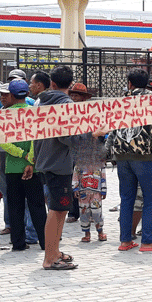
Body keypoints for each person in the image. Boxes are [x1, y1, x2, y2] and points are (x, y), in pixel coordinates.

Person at [106, 68, 152, 252]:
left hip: (122, 155)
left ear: (130, 83)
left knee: (126, 199)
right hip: (146, 156)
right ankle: (147, 242)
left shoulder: (120, 100)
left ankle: (125, 241)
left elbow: (112, 125)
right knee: (150, 199)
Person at [34, 66, 79, 269]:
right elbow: (66, 136)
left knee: (60, 208)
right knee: (56, 209)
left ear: (51, 83)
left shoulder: (40, 102)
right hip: (59, 162)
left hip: (46, 158)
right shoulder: (66, 105)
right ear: (70, 84)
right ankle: (50, 258)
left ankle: (55, 251)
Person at [0, 79, 47, 251]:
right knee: (38, 206)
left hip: (12, 167)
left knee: (15, 206)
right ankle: (45, 242)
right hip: (34, 167)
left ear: (11, 95)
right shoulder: (35, 112)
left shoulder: (4, 114)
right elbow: (37, 139)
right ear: (27, 94)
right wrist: (30, 158)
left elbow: (3, 143)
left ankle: (18, 243)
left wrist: (20, 154)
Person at [66, 82, 94, 223]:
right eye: (72, 95)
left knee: (86, 181)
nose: (74, 98)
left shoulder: (90, 112)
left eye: (76, 96)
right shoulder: (67, 111)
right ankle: (72, 212)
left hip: (85, 150)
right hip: (71, 150)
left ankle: (88, 209)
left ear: (83, 98)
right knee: (73, 181)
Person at [73, 134, 108, 243]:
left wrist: (104, 190)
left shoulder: (100, 162)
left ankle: (100, 231)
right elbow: (75, 175)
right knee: (84, 212)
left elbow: (103, 176)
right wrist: (75, 188)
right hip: (83, 192)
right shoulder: (79, 163)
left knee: (97, 212)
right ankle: (86, 233)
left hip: (96, 192)